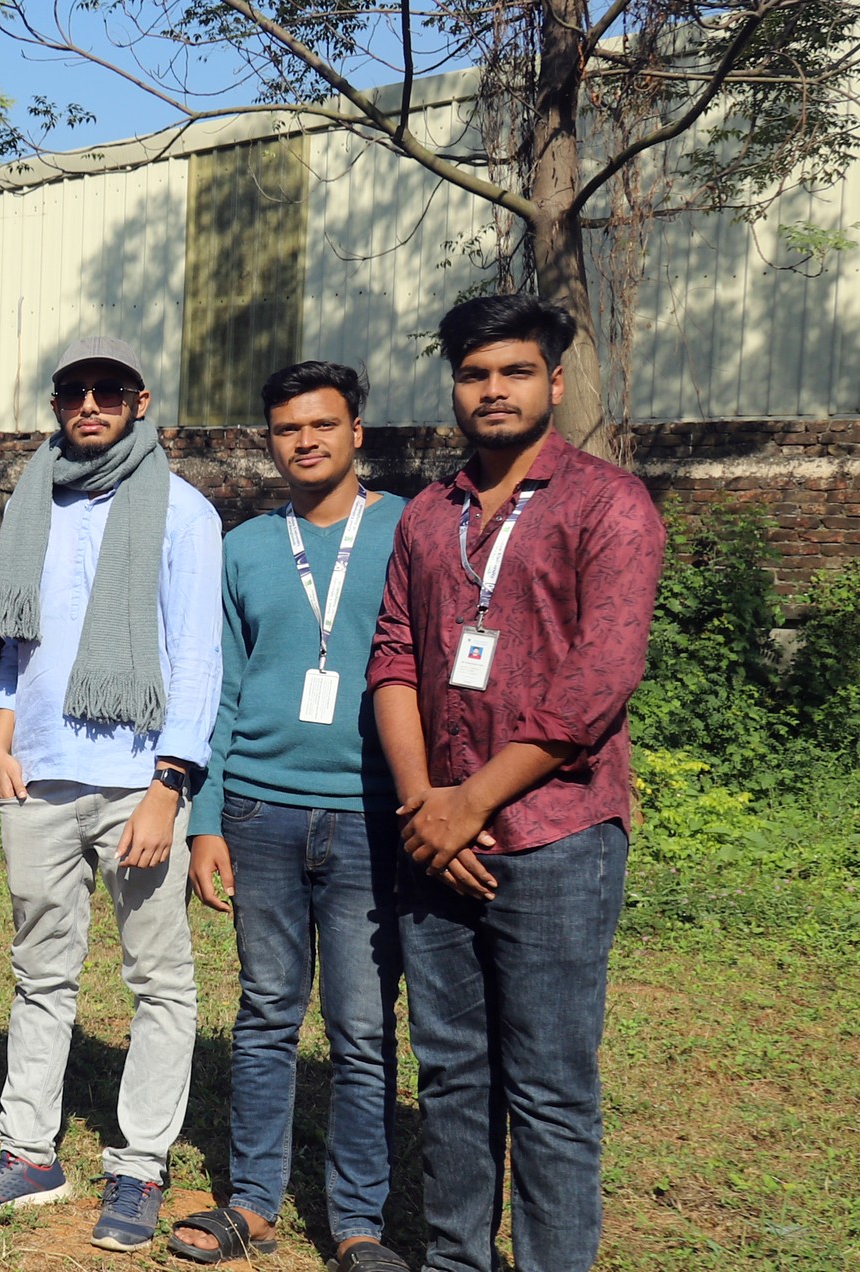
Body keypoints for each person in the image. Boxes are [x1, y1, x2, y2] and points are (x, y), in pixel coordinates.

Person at [367, 296, 662, 1272]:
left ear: (553, 383)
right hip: (434, 842)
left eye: (512, 372)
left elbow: (595, 683)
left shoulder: (605, 504)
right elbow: (394, 659)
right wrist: (424, 805)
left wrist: (469, 802)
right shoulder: (424, 516)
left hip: (554, 841)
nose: (491, 390)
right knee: (450, 1077)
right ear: (452, 386)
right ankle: (457, 1259)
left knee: (546, 1089)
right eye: (473, 373)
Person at [0, 336, 222, 1255]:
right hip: (40, 771)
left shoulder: (182, 513)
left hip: (138, 780)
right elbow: (18, 641)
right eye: (73, 392)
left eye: (108, 391)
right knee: (40, 972)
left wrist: (169, 785)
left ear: (140, 403)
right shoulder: (35, 502)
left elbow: (196, 659)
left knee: (158, 980)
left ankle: (140, 1165)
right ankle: (29, 1150)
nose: (89, 405)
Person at [166, 361, 408, 1270]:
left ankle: (356, 1222)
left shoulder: (406, 532)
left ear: (356, 431)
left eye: (322, 425)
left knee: (360, 1026)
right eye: (285, 430)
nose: (303, 441)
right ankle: (253, 1204)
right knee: (265, 1015)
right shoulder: (244, 547)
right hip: (260, 812)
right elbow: (217, 690)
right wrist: (206, 818)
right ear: (269, 441)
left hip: (368, 816)